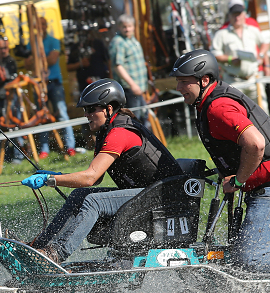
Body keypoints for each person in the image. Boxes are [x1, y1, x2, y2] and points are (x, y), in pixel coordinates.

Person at [171, 50, 270, 274]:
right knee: (264, 271)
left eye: (184, 82)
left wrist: (239, 180)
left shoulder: (218, 107)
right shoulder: (209, 103)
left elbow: (255, 145)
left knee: (251, 257)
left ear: (204, 80)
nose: (178, 88)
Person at [23, 79, 182, 264]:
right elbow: (95, 178)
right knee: (79, 195)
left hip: (164, 196)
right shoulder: (107, 130)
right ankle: (38, 247)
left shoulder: (119, 133)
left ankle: (56, 253)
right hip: (147, 192)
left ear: (108, 108)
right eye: (85, 110)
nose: (86, 115)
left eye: (91, 110)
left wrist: (50, 180)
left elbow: (91, 177)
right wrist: (55, 176)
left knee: (93, 202)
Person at [212, 0, 270, 111]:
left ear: (244, 15)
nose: (237, 17)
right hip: (234, 82)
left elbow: (265, 42)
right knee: (237, 115)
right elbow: (214, 54)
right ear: (229, 16)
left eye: (239, 14)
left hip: (253, 78)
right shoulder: (221, 34)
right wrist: (229, 59)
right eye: (234, 14)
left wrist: (262, 56)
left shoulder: (252, 30)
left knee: (262, 113)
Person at [34, 16, 76, 159]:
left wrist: (37, 56)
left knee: (62, 114)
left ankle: (70, 146)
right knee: (41, 117)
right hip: (39, 84)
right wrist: (40, 57)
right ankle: (44, 149)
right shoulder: (32, 43)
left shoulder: (53, 40)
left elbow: (52, 59)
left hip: (54, 82)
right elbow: (28, 63)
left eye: (43, 25)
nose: (41, 28)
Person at [108, 14, 150, 125]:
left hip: (138, 87)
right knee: (133, 120)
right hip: (129, 88)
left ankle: (143, 142)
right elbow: (118, 66)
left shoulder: (132, 40)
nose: (127, 29)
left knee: (143, 117)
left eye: (130, 26)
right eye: (124, 27)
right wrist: (133, 85)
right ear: (119, 27)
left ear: (134, 27)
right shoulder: (118, 42)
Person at [0, 36, 25, 162]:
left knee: (14, 126)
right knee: (1, 129)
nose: (4, 50)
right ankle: (6, 157)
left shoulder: (10, 61)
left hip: (11, 100)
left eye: (5, 47)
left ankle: (18, 156)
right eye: (1, 48)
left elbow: (7, 79)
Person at [66, 29, 111, 96]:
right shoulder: (76, 47)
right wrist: (80, 64)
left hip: (101, 83)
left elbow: (108, 61)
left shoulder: (98, 44)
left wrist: (110, 77)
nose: (85, 35)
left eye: (87, 32)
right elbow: (68, 67)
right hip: (85, 86)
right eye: (82, 33)